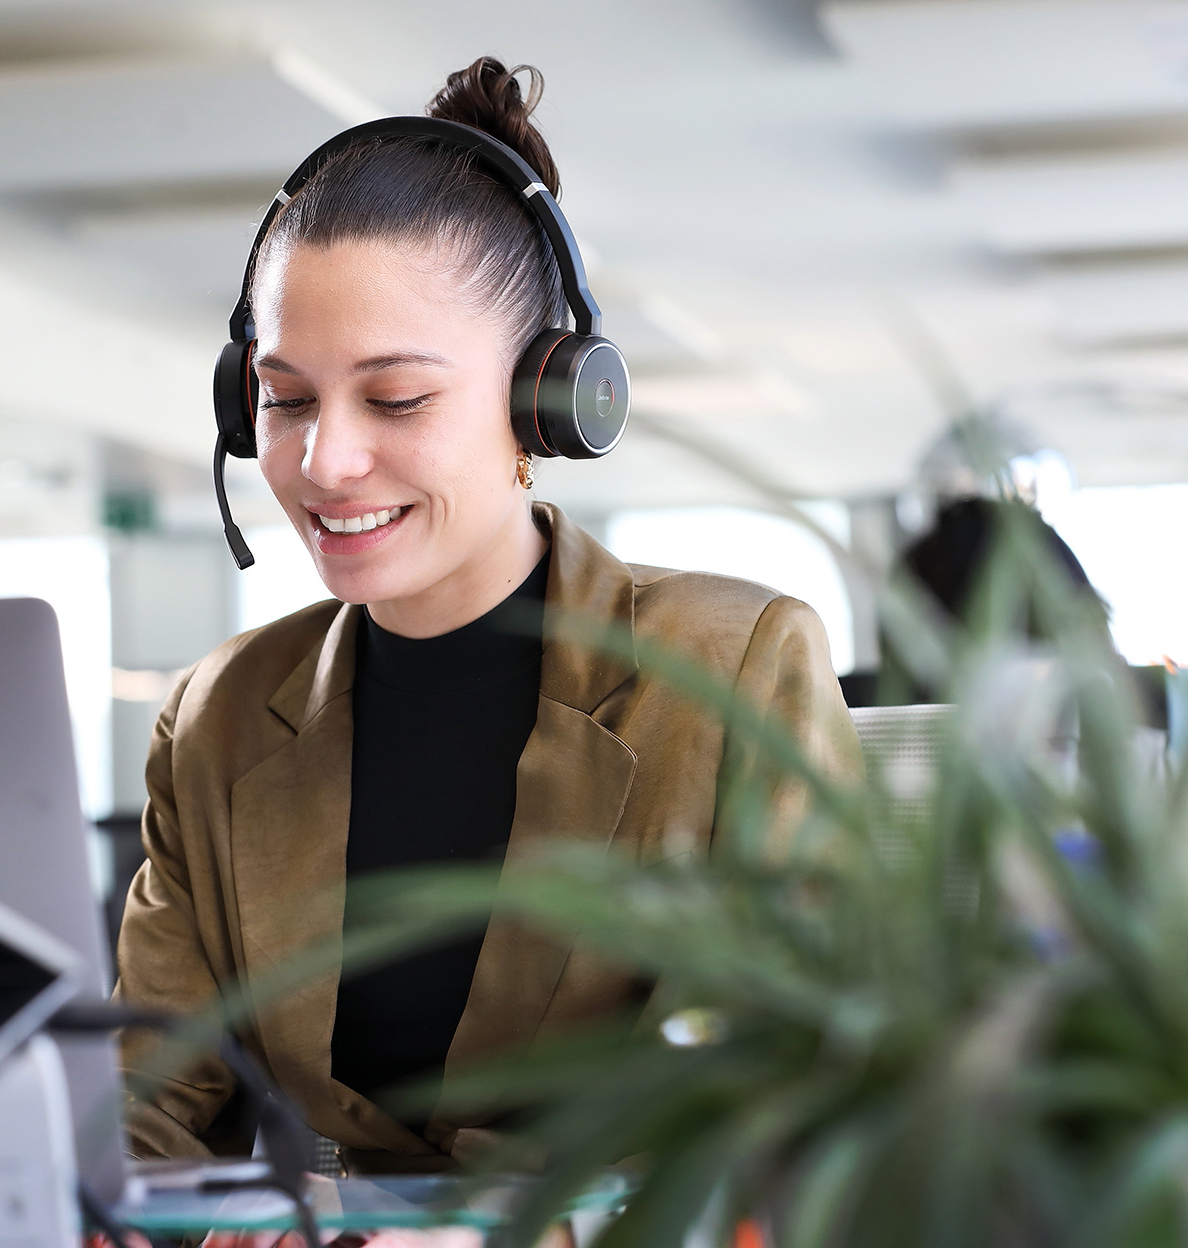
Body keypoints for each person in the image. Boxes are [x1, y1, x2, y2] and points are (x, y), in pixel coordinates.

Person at [115, 56, 859, 1176]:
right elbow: (147, 1098)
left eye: (398, 398)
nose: (326, 460)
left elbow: (778, 1071)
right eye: (286, 399)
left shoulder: (731, 667)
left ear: (544, 403)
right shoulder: (216, 716)